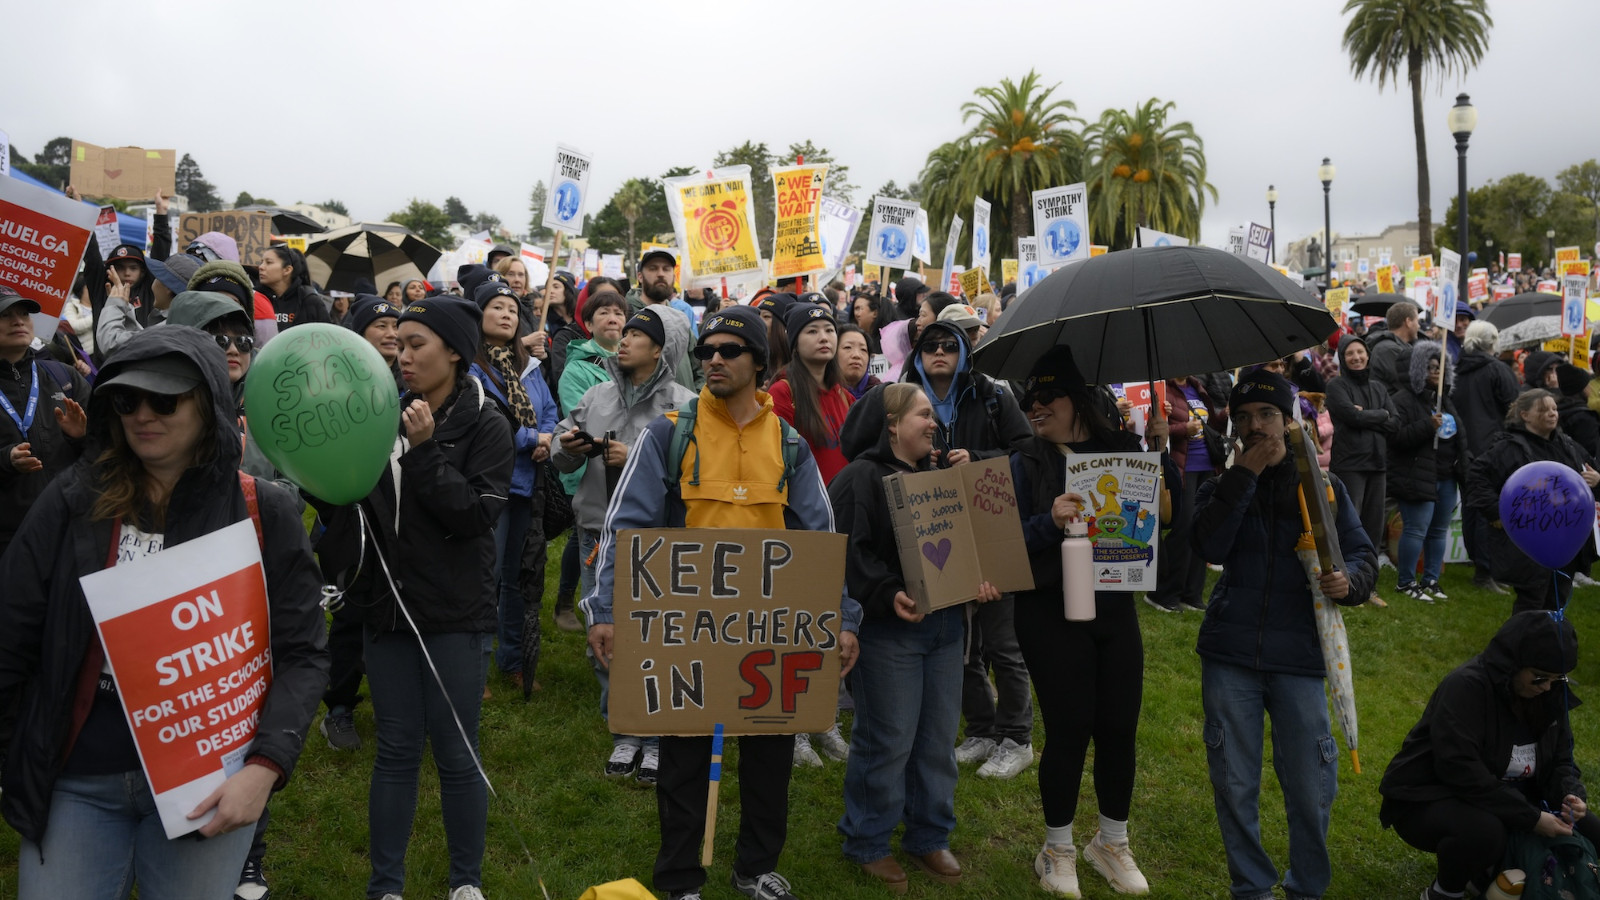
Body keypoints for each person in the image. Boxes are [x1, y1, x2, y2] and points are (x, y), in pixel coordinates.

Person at [0, 326, 328, 899]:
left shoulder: (265, 513)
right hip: (77, 776)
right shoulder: (72, 502)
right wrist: (14, 754)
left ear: (209, 406)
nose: (142, 415)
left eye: (164, 400)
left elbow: (303, 653)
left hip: (207, 781)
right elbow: (11, 632)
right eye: (127, 399)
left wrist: (266, 767)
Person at [582, 304, 861, 900]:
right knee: (684, 760)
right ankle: (681, 878)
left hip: (771, 632)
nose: (713, 359)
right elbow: (624, 528)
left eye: (729, 351)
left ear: (759, 363)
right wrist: (604, 612)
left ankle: (756, 870)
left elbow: (820, 540)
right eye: (707, 350)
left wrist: (841, 619)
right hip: (688, 632)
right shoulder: (670, 432)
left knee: (771, 757)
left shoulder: (789, 445)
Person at [312, 296, 513, 900]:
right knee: (396, 749)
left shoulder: (487, 422)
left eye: (416, 344)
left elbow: (476, 517)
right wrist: (318, 473)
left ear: (456, 351)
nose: (401, 356)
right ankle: (386, 886)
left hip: (454, 613)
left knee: (456, 751)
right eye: (397, 343)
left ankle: (465, 883)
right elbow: (350, 504)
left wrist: (425, 453)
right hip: (388, 608)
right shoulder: (382, 414)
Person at [1192, 368, 1378, 900]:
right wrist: (1242, 479)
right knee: (1234, 780)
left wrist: (1353, 582)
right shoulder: (1222, 485)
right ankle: (1251, 887)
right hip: (1231, 652)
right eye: (1244, 418)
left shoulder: (1324, 489)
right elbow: (1210, 546)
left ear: (1290, 420)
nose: (1256, 427)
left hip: (1299, 654)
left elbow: (1363, 552)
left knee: (1311, 783)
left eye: (1267, 415)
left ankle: (1307, 888)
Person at [1006, 346, 1174, 897]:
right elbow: (1004, 543)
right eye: (1029, 398)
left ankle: (1111, 841)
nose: (1035, 407)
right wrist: (1047, 519)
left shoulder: (1121, 449)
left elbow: (1168, 520)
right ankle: (1056, 848)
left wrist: (1161, 453)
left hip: (1115, 603)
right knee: (1070, 728)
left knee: (1119, 726)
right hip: (1049, 608)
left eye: (1046, 396)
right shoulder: (1023, 460)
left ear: (1076, 399)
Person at [830, 382, 998, 891]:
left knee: (937, 740)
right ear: (891, 424)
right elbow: (847, 554)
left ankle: (928, 834)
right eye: (924, 415)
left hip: (946, 628)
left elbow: (964, 547)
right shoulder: (859, 478)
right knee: (888, 740)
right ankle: (868, 839)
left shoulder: (940, 479)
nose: (934, 424)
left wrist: (984, 577)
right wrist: (885, 593)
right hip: (889, 633)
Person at [552, 307, 695, 783]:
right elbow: (555, 450)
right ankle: (626, 730)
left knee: (657, 637)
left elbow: (693, 477)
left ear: (661, 349)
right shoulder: (595, 395)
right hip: (597, 532)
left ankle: (657, 738)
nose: (626, 338)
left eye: (638, 333)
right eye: (626, 331)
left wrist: (634, 457)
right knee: (607, 636)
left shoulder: (686, 404)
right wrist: (566, 447)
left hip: (659, 542)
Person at [1380, 611, 1596, 900]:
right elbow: (1460, 770)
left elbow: (1561, 760)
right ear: (1513, 664)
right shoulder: (1466, 687)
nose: (1547, 687)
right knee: (1485, 833)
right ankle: (1445, 892)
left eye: (1557, 679)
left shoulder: (1549, 693)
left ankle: (1489, 875)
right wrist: (1531, 817)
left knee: (1592, 829)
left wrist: (1570, 794)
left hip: (1509, 799)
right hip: (1430, 796)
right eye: (1539, 678)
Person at [901, 316, 1036, 779]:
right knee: (961, 641)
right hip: (937, 527)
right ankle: (981, 728)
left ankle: (1017, 737)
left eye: (950, 345)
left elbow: (1029, 453)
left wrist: (976, 459)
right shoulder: (906, 396)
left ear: (964, 351)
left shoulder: (993, 394)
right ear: (917, 354)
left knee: (1003, 639)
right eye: (930, 345)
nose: (939, 352)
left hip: (991, 518)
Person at [469, 283, 559, 695]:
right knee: (483, 576)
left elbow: (550, 410)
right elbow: (483, 418)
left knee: (519, 575)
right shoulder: (469, 367)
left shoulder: (529, 366)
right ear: (478, 315)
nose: (506, 314)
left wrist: (546, 437)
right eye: (496, 307)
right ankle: (475, 665)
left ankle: (513, 660)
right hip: (489, 483)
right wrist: (532, 441)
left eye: (512, 309)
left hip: (527, 485)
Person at [1465, 390, 1600, 614]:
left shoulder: (1568, 445)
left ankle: (1549, 644)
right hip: (1528, 545)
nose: (1552, 413)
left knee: (1558, 600)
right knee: (1531, 603)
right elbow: (1477, 477)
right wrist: (1495, 511)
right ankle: (1522, 644)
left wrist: (1597, 479)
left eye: (1554, 409)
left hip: (1565, 540)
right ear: (1524, 415)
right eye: (1544, 409)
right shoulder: (1508, 447)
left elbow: (1591, 471)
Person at [0, 287, 90, 559]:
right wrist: (6, 460)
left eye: (24, 314)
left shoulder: (64, 376)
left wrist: (82, 436)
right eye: (6, 315)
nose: (19, 321)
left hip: (69, 525)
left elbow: (109, 446)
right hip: (8, 539)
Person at [1387, 341, 1464, 604]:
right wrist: (1426, 425)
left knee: (1438, 530)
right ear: (1417, 370)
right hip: (1416, 475)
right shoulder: (1402, 400)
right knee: (1416, 529)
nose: (1435, 372)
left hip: (1445, 475)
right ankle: (1406, 582)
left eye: (1439, 368)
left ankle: (1431, 579)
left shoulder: (1445, 400)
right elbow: (1396, 438)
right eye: (1429, 367)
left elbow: (1459, 437)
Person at [1326, 334, 1398, 602]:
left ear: (1368, 355)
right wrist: (1379, 414)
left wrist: (1368, 415)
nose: (1356, 357)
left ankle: (1368, 586)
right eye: (1350, 354)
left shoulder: (1379, 388)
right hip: (1350, 466)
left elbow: (1395, 423)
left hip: (1377, 465)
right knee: (1348, 524)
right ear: (1343, 358)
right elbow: (1351, 416)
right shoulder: (1336, 386)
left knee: (1372, 528)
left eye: (1360, 352)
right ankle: (1341, 580)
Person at [1148, 373, 1226, 612]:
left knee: (1202, 528)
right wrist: (1184, 428)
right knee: (1182, 529)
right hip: (1183, 468)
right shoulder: (1163, 390)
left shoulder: (1198, 388)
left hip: (1207, 467)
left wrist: (1224, 415)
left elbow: (1211, 426)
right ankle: (1163, 593)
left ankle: (1191, 593)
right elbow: (1153, 431)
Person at [257, 246, 332, 329]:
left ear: (287, 270)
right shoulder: (255, 298)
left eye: (269, 262)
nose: (261, 267)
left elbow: (326, 336)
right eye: (261, 262)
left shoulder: (309, 300)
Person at [1367, 301, 1420, 392]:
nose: (1419, 326)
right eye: (1417, 321)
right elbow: (1410, 384)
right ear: (1408, 322)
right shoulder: (1388, 350)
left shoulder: (1400, 346)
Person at [1553, 363, 1599, 458]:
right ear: (1580, 388)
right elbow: (1592, 449)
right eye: (1587, 385)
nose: (1590, 388)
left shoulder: (1561, 408)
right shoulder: (1583, 417)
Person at [838, 324, 882, 401]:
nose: (856, 355)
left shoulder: (881, 394)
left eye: (863, 349)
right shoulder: (822, 394)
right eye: (848, 347)